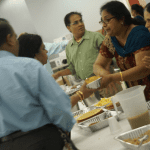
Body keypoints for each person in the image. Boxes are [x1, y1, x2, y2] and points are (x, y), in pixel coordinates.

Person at [0, 18, 83, 150]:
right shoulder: (27, 66)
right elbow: (58, 107)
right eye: (15, 38)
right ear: (9, 39)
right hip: (41, 140)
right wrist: (65, 130)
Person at [18, 33, 97, 107]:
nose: (47, 51)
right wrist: (80, 95)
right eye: (43, 49)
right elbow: (57, 108)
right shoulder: (35, 79)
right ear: (35, 54)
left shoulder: (29, 76)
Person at [93, 1, 150, 101]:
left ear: (121, 19)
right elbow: (97, 65)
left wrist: (113, 78)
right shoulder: (111, 39)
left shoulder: (139, 34)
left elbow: (143, 69)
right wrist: (106, 75)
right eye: (102, 21)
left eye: (107, 20)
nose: (104, 25)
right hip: (135, 95)